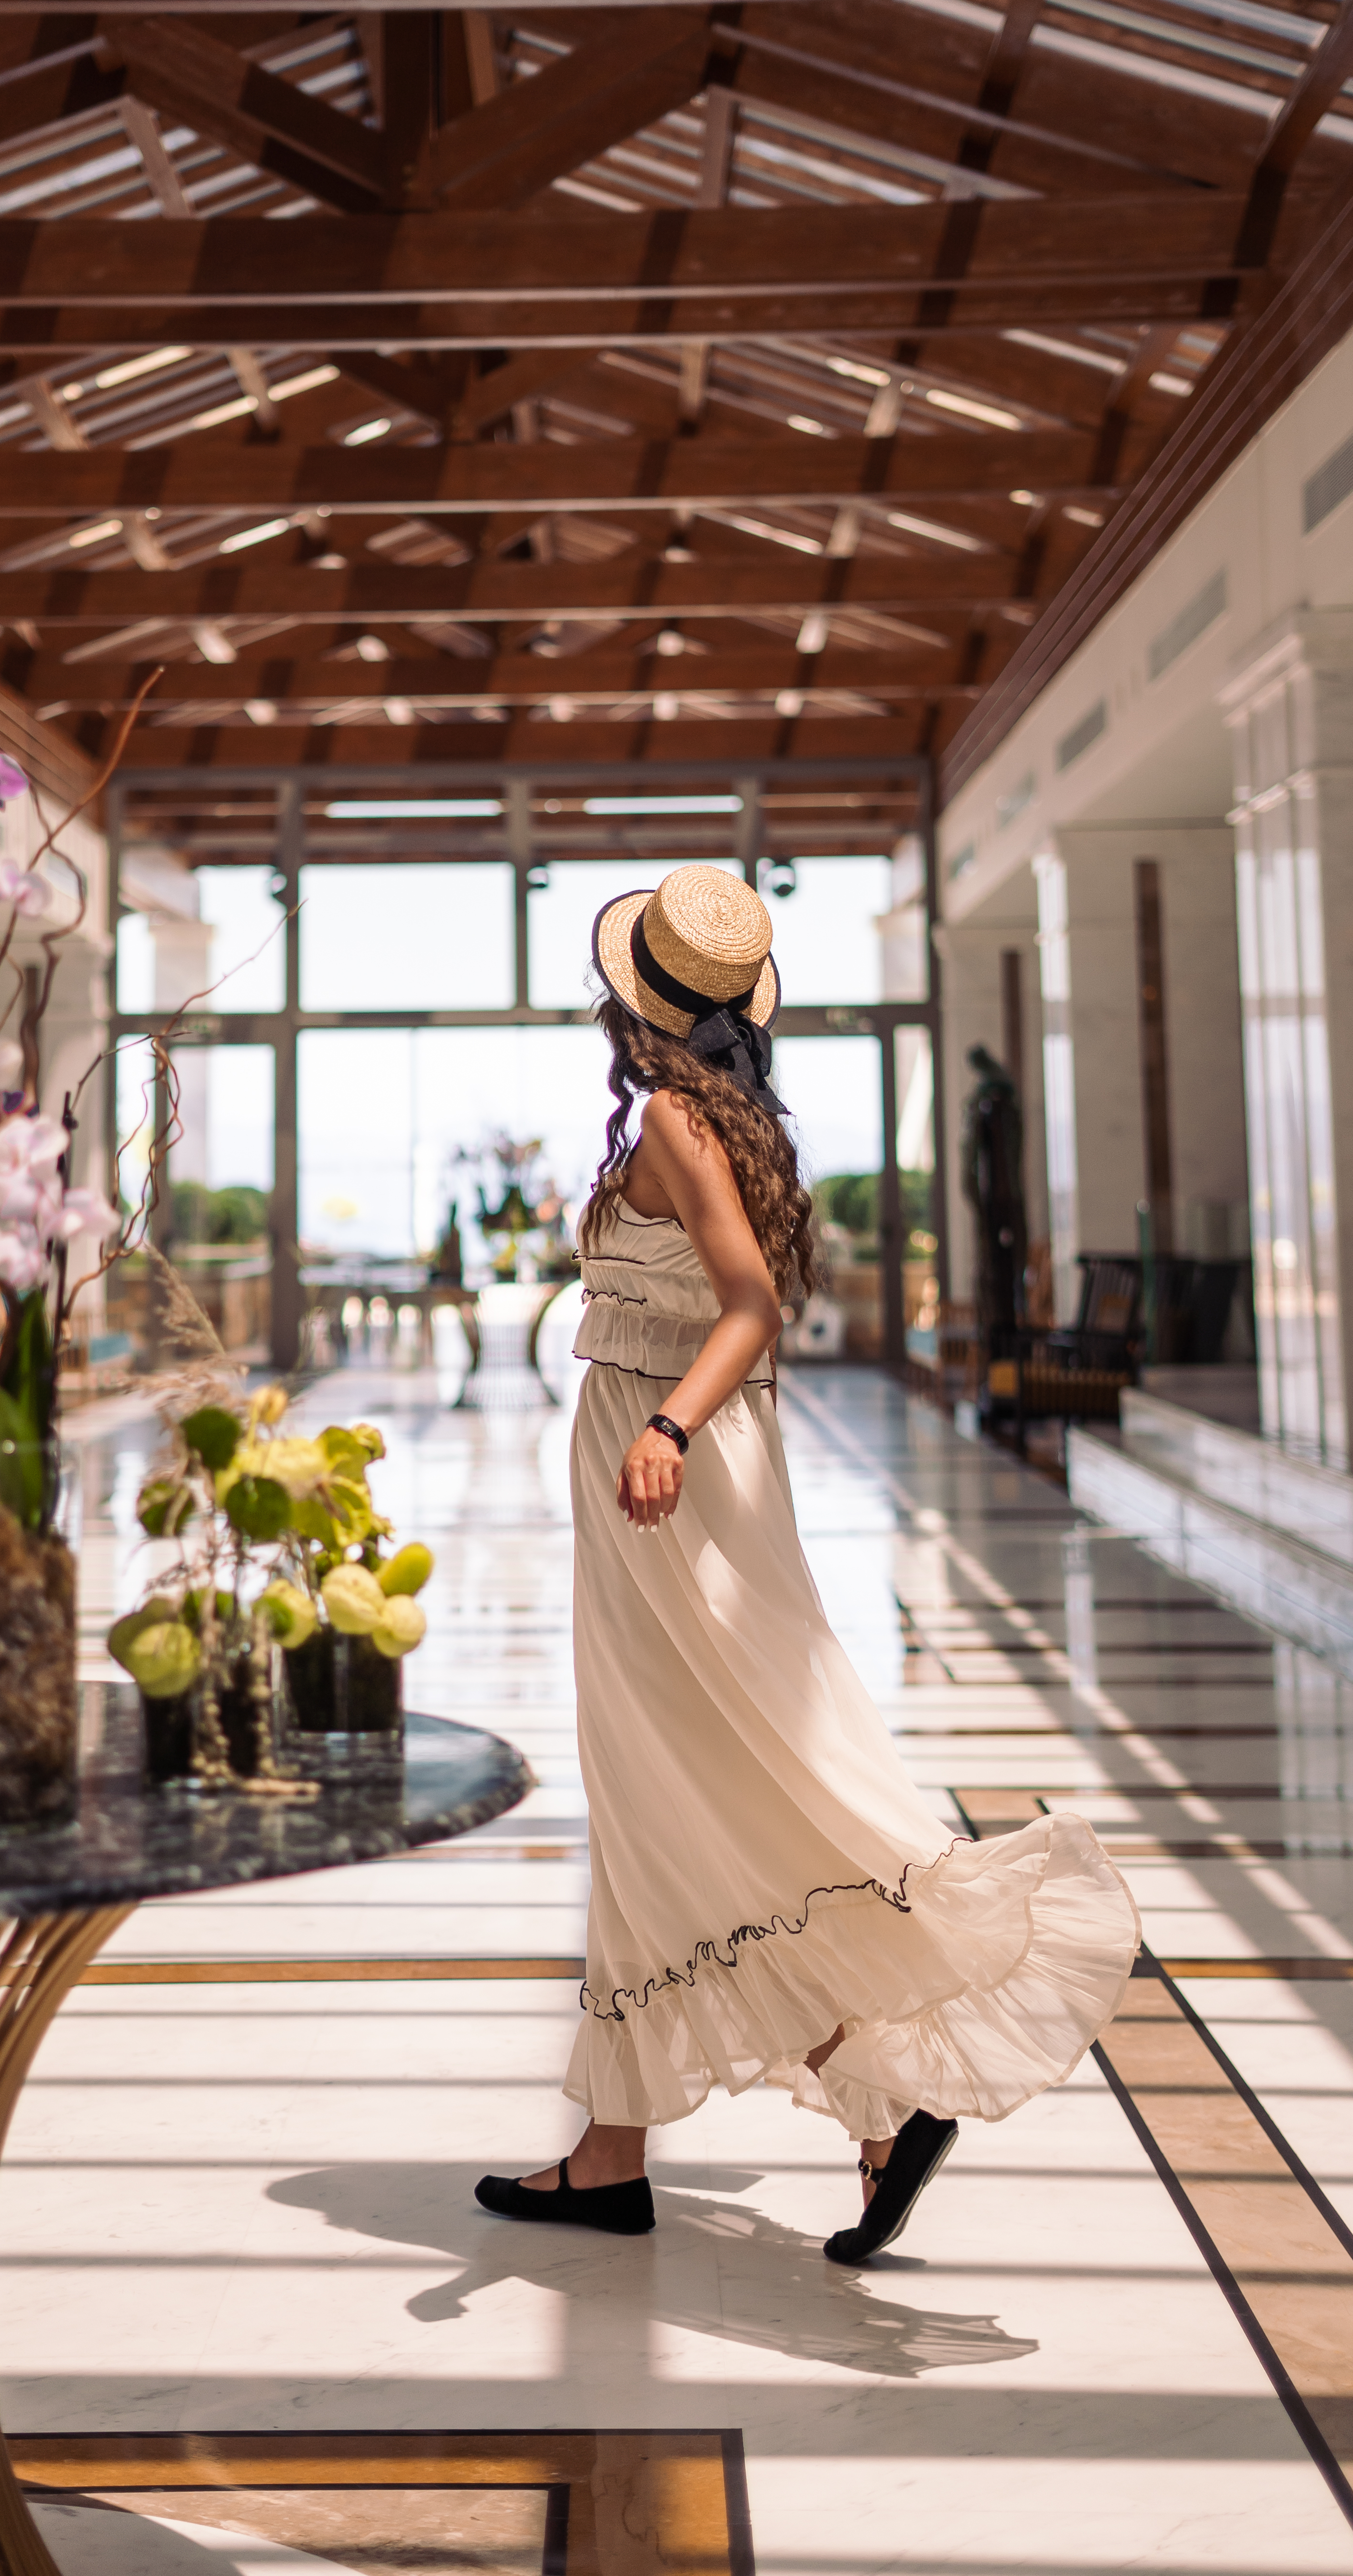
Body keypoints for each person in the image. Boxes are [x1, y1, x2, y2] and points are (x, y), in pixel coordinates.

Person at [475, 868, 1139, 2262]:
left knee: (686, 1782)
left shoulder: (669, 1114)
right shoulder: (736, 1118)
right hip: (704, 1479)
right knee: (677, 1786)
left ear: (633, 998)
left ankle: (861, 2111)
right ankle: (627, 2151)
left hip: (677, 1482)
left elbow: (751, 1305)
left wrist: (662, 1424)